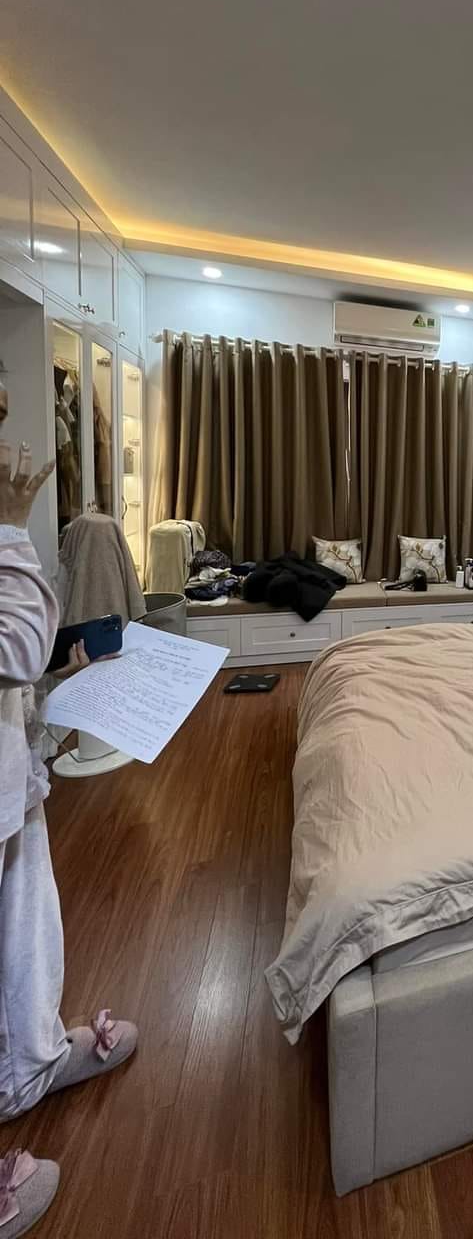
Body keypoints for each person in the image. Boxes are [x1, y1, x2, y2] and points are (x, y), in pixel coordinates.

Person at [0, 381, 138, 1236]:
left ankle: (32, 1061)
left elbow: (15, 666)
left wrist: (55, 683)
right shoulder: (7, 521)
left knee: (25, 927)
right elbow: (12, 644)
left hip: (12, 776)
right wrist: (11, 524)